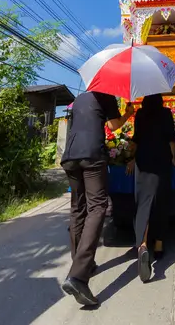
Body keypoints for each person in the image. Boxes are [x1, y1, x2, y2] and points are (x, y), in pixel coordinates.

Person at [61, 92, 134, 306]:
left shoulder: (79, 99)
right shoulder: (106, 97)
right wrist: (128, 114)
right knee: (98, 207)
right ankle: (78, 277)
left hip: (70, 157)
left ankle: (81, 264)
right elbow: (113, 126)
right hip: (92, 156)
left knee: (78, 209)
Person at [126, 94, 175, 282]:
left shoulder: (141, 114)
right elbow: (170, 138)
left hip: (143, 161)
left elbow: (137, 139)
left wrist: (131, 157)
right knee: (161, 201)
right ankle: (158, 245)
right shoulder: (166, 113)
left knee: (143, 203)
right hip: (162, 161)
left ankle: (142, 245)